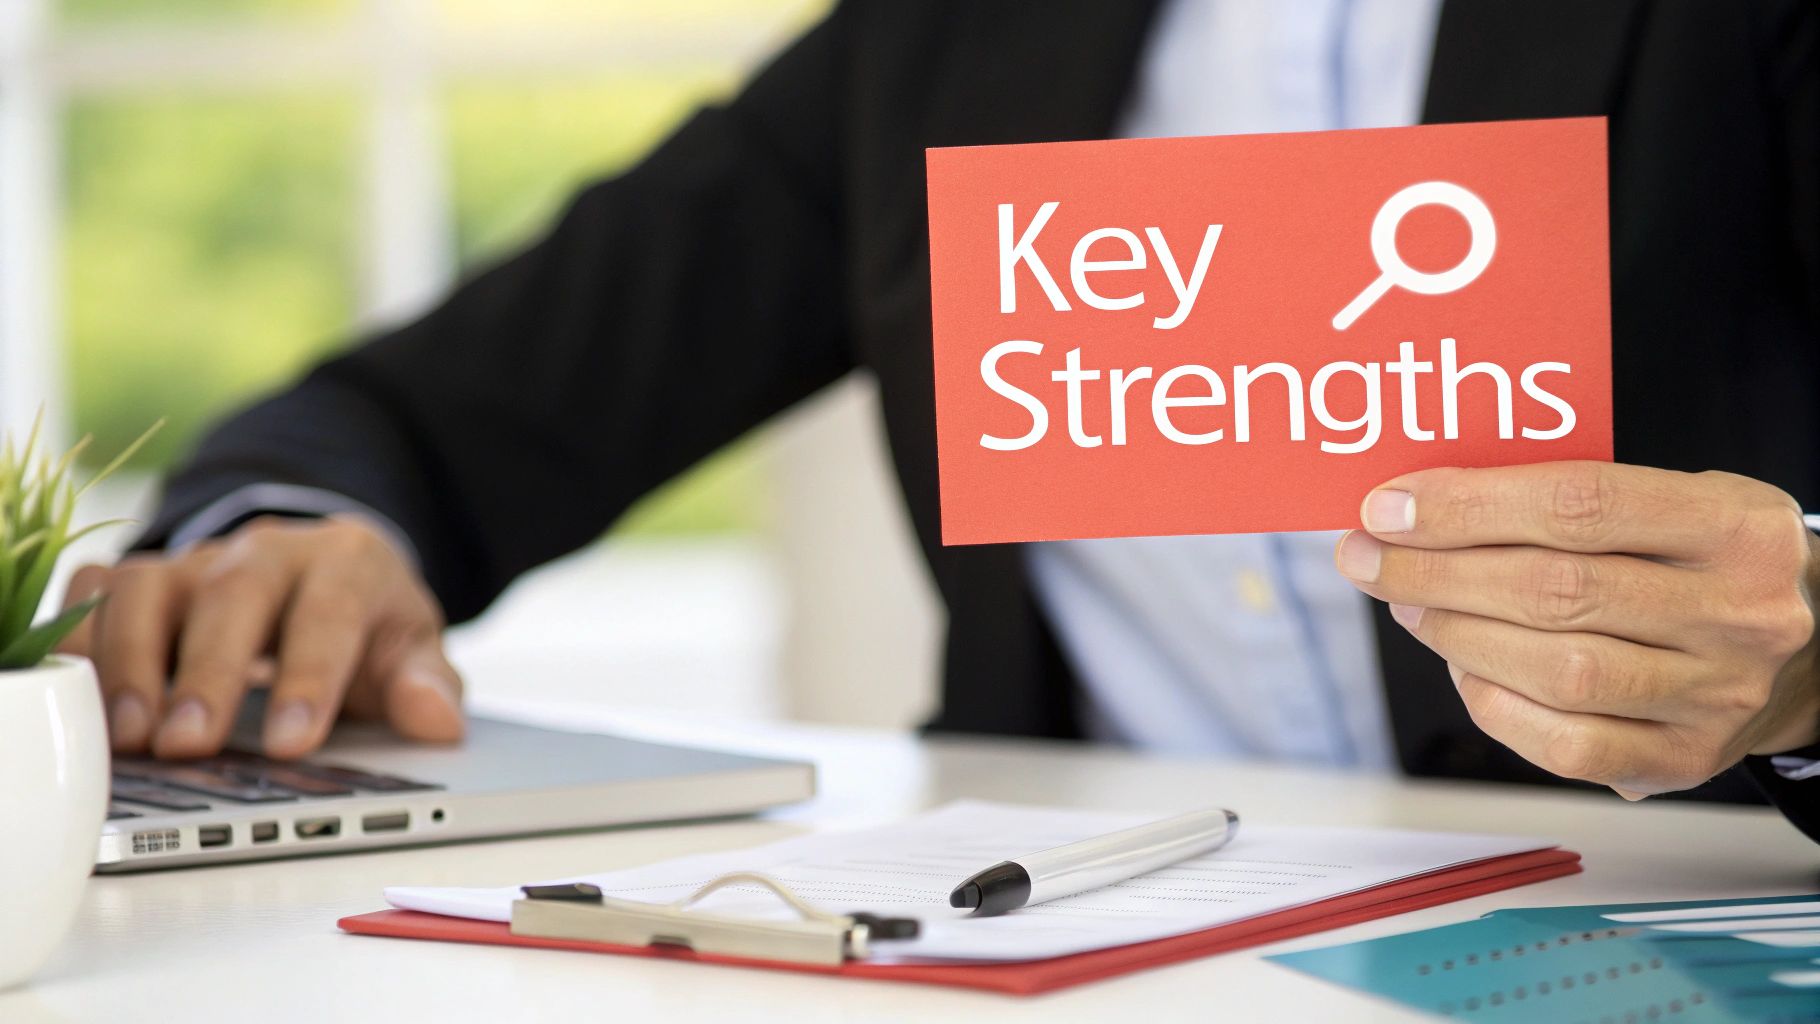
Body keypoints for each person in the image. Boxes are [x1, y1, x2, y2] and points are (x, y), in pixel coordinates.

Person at [60, 1, 1820, 841]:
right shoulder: (944, 40)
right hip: (1079, 940)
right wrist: (293, 540)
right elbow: (427, 412)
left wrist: (1814, 669)